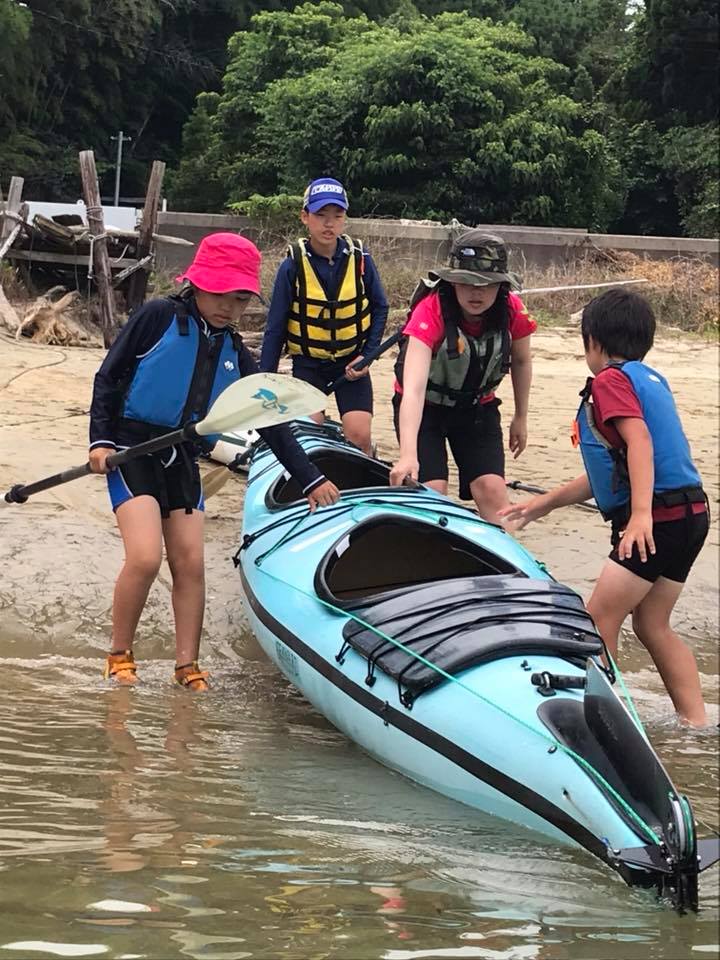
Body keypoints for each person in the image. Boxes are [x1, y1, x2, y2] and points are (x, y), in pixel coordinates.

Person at [89, 232, 339, 691]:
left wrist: (309, 478)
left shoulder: (234, 350)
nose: (229, 307)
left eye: (240, 299)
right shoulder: (157, 317)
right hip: (132, 449)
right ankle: (119, 655)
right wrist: (100, 442)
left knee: (190, 564)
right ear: (197, 284)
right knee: (145, 557)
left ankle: (187, 667)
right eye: (220, 293)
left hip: (182, 455)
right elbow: (109, 378)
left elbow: (268, 420)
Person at [500, 289, 709, 726]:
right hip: (690, 514)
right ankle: (696, 722)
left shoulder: (610, 382)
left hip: (657, 519)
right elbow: (615, 471)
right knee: (652, 624)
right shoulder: (648, 379)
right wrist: (543, 505)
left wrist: (641, 516)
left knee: (597, 620)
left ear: (592, 341)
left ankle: (610, 726)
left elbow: (640, 443)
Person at [389, 231, 535, 525]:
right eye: (466, 283)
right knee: (432, 491)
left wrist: (521, 416)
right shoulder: (430, 310)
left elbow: (521, 360)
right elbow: (413, 389)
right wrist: (407, 454)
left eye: (486, 284)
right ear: (452, 281)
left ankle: (500, 550)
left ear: (501, 285)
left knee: (492, 490)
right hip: (426, 409)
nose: (475, 293)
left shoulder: (512, 310)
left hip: (476, 409)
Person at [259, 177, 388, 455]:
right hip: (309, 366)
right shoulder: (291, 265)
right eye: (320, 215)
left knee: (359, 435)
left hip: (351, 364)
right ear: (305, 217)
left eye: (337, 216)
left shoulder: (361, 258)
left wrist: (367, 356)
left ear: (344, 220)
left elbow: (380, 307)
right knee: (309, 431)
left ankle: (362, 463)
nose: (329, 224)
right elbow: (275, 327)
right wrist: (264, 381)